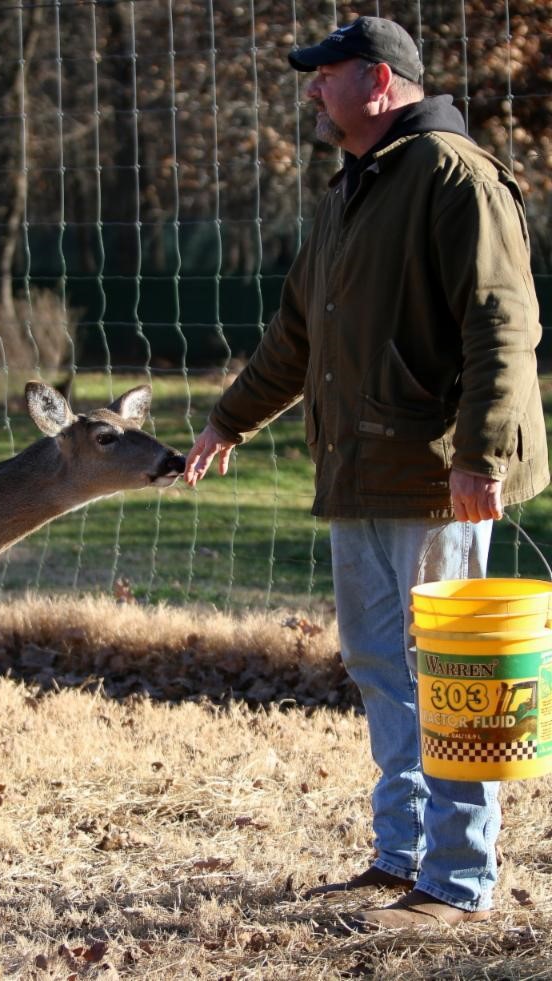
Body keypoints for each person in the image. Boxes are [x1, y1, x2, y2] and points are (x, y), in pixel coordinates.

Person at [185, 16, 549, 929]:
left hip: (437, 475)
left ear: (379, 83)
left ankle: (460, 879)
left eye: (325, 75)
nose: (311, 90)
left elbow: (502, 324)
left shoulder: (453, 177)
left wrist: (479, 456)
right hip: (359, 468)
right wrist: (231, 417)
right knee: (381, 664)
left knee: (450, 675)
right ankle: (399, 859)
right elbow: (299, 334)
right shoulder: (353, 187)